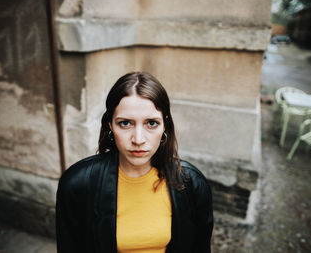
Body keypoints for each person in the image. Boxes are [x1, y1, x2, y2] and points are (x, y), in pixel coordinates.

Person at [56, 71, 214, 253]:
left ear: (165, 125)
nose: (138, 139)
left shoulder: (191, 183)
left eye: (151, 123)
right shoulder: (77, 184)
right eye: (125, 123)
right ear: (110, 125)